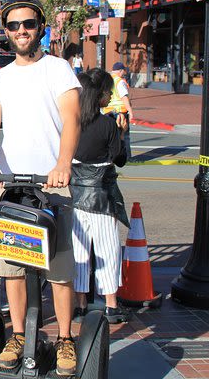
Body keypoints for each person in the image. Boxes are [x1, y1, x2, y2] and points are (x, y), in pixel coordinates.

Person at [0, 0, 81, 377]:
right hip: (10, 184)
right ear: (5, 32)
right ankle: (19, 335)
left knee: (59, 268)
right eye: (14, 26)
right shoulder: (1, 77)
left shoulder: (58, 69)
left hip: (51, 184)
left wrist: (62, 164)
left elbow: (72, 119)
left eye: (28, 24)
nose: (21, 31)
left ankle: (65, 338)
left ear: (40, 27)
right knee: (12, 268)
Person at [71, 68, 130, 325]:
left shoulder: (72, 122)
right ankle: (111, 305)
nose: (110, 96)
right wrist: (123, 133)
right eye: (108, 92)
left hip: (74, 195)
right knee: (107, 248)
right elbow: (120, 159)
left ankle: (81, 304)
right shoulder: (107, 124)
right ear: (99, 95)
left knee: (79, 252)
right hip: (102, 196)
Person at [102, 62, 134, 160]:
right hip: (120, 111)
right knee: (124, 135)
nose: (124, 73)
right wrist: (130, 111)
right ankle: (126, 157)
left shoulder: (106, 80)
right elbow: (124, 96)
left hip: (107, 111)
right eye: (124, 71)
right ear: (120, 71)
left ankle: (110, 156)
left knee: (110, 136)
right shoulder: (120, 81)